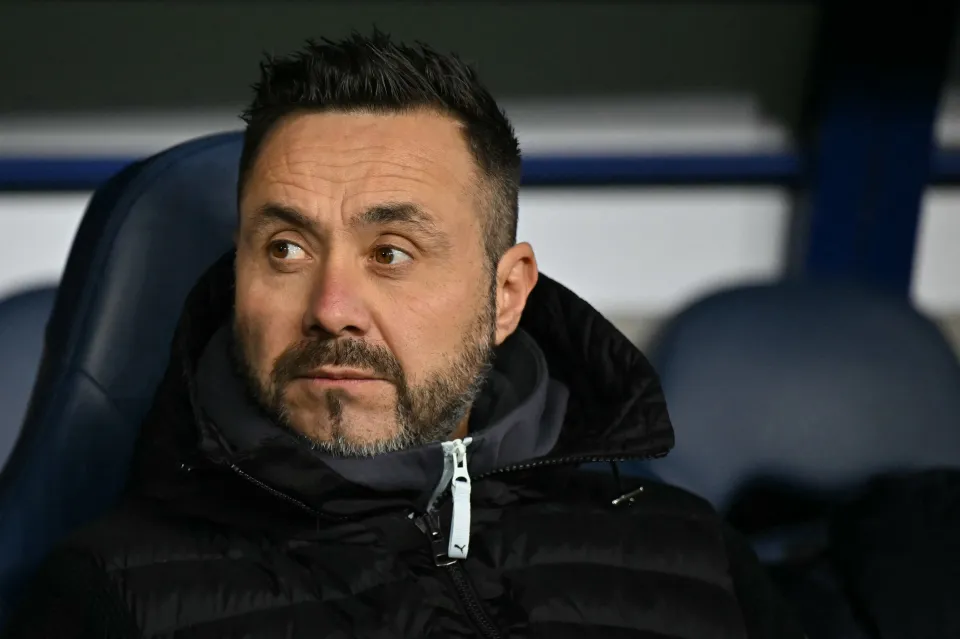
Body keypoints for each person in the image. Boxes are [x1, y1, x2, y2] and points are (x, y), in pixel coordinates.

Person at [4, 31, 804, 639]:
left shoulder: (692, 554)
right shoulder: (112, 595)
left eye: (391, 252)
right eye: (286, 249)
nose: (331, 306)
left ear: (506, 294)